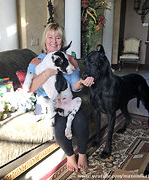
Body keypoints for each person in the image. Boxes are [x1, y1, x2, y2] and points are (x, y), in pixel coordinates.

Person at [25, 22, 94, 172]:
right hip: (49, 102)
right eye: (50, 37)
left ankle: (82, 154)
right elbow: (30, 88)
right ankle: (70, 156)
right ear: (45, 41)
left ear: (62, 41)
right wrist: (47, 73)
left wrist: (82, 82)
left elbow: (75, 86)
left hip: (67, 100)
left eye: (58, 38)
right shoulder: (37, 61)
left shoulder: (69, 59)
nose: (54, 41)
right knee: (59, 125)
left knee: (80, 119)